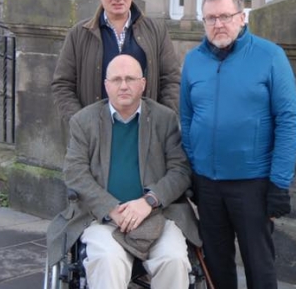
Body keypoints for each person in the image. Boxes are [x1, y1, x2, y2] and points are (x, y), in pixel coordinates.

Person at [180, 0, 296, 289]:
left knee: (259, 267)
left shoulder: (270, 56)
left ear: (242, 17)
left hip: (253, 185)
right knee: (216, 268)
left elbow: (289, 121)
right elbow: (187, 117)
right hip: (207, 185)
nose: (218, 24)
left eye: (225, 16)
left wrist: (279, 183)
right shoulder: (193, 61)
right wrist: (193, 170)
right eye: (210, 18)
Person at [47, 54, 200, 289]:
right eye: (116, 79)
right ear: (106, 85)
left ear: (143, 83)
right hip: (101, 218)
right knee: (107, 260)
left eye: (130, 78)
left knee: (174, 259)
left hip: (158, 213)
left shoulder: (164, 119)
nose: (124, 85)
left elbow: (180, 170)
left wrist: (149, 201)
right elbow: (75, 172)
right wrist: (110, 208)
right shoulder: (84, 121)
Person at [52, 0, 181, 125]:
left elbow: (171, 80)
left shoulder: (156, 31)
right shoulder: (79, 34)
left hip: (145, 132)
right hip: (96, 133)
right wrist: (80, 124)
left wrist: (162, 122)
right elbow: (63, 84)